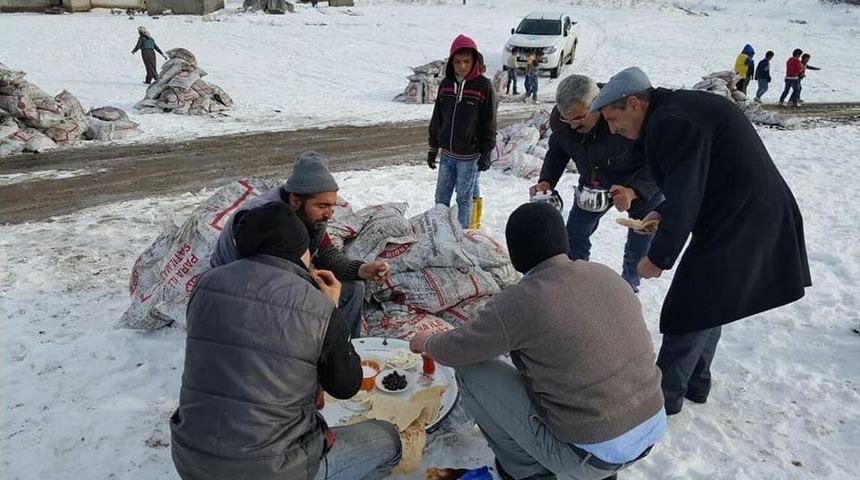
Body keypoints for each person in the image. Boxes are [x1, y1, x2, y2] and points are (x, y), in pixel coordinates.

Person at [593, 67, 811, 415]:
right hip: (745, 212)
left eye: (612, 119)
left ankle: (662, 398)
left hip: (744, 217)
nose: (613, 128)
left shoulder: (670, 121)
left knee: (689, 305)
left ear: (634, 103)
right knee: (709, 300)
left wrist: (658, 258)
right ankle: (696, 381)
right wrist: (661, 212)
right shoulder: (676, 111)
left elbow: (686, 194)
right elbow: (694, 180)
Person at [409, 202, 666, 480]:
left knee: (472, 374)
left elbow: (459, 349)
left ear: (516, 255)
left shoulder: (522, 300)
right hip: (650, 425)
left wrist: (426, 342)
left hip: (590, 456)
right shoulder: (605, 274)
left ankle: (526, 470)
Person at [171, 202, 402, 480]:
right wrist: (331, 310)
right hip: (271, 469)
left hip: (190, 457)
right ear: (299, 249)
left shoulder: (205, 284)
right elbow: (346, 386)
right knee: (389, 440)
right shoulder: (316, 305)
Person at [209, 151, 391, 337]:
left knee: (353, 288)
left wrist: (361, 270)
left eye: (331, 206)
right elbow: (260, 275)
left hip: (278, 278)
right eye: (322, 206)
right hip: (239, 288)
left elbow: (325, 253)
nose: (329, 214)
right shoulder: (264, 218)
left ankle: (345, 346)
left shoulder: (309, 214)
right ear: (295, 200)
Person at [529, 74, 662, 292]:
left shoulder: (623, 114)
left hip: (638, 182)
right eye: (567, 119)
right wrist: (546, 180)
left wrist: (633, 192)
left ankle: (628, 286)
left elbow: (659, 162)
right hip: (595, 182)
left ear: (598, 105)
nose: (573, 125)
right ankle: (574, 280)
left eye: (579, 118)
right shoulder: (562, 119)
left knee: (639, 240)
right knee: (575, 233)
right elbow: (558, 150)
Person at [427, 34, 497, 229]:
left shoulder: (483, 86)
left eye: (467, 61)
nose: (462, 66)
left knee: (463, 197)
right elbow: (437, 117)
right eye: (457, 62)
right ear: (451, 62)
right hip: (447, 155)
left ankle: (462, 234)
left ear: (474, 61)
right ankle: (440, 230)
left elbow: (489, 122)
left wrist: (486, 152)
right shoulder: (446, 85)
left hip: (469, 156)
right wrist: (433, 148)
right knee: (441, 196)